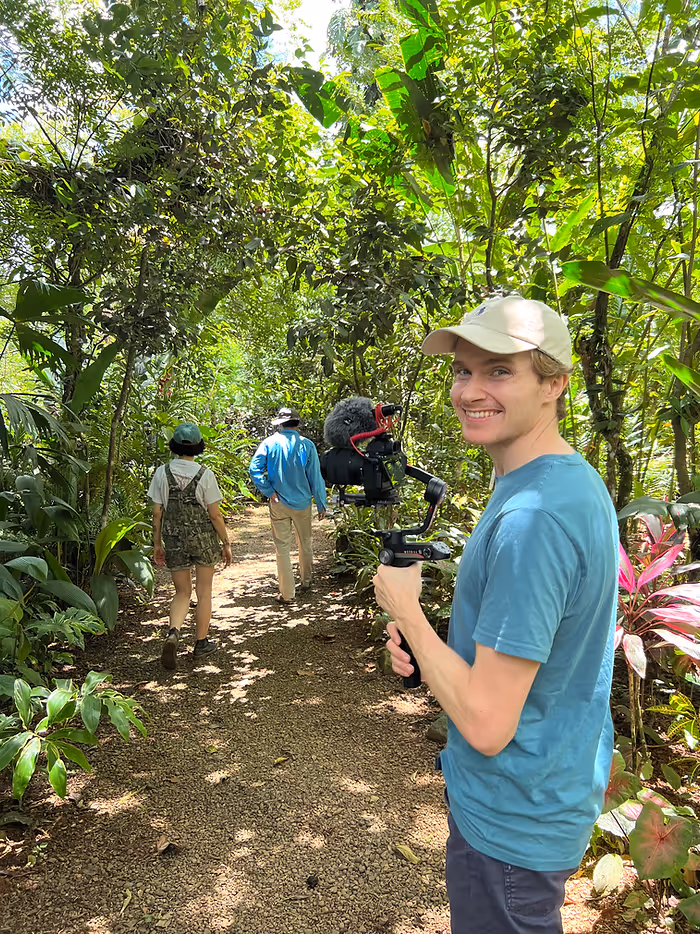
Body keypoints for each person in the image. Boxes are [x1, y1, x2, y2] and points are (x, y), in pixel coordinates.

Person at [373, 295, 618, 934]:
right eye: (462, 370)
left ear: (554, 383)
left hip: (512, 816)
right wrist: (426, 650)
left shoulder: (535, 516)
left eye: (499, 371)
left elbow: (485, 722)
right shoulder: (560, 483)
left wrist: (409, 613)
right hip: (543, 788)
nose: (470, 390)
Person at [148, 422, 232, 670]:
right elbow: (215, 515)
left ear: (174, 446)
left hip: (174, 540)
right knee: (204, 592)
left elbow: (156, 513)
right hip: (204, 540)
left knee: (182, 592)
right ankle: (201, 643)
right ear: (198, 447)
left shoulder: (161, 473)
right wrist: (226, 543)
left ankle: (173, 632)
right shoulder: (205, 474)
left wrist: (157, 544)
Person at [249, 406, 327, 603]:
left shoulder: (269, 443)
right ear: (296, 424)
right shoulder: (306, 445)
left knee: (282, 548)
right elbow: (315, 476)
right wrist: (321, 502)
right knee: (305, 543)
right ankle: (307, 582)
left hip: (278, 502)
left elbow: (254, 468)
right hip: (302, 502)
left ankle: (287, 594)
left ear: (280, 424)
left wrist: (268, 491)